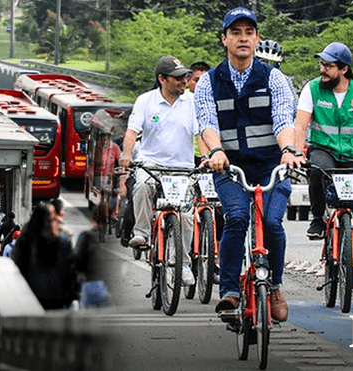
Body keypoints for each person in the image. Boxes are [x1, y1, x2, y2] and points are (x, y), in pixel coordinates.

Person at [194, 7, 300, 322]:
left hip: (272, 166)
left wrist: (289, 150)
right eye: (236, 33)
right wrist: (216, 151)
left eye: (249, 33)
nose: (243, 38)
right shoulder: (208, 82)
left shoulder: (275, 78)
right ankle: (229, 291)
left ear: (257, 39)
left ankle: (276, 286)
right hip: (230, 169)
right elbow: (207, 122)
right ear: (224, 39)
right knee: (237, 219)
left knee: (271, 223)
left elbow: (283, 119)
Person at [294, 42, 353, 292]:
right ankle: (317, 217)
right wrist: (294, 152)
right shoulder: (312, 89)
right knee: (315, 168)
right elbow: (300, 126)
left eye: (329, 65)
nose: (322, 69)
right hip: (325, 151)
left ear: (344, 69)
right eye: (322, 64)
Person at [119, 55, 199, 287]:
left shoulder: (192, 102)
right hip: (151, 163)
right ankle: (142, 232)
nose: (184, 81)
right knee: (142, 185)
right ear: (162, 79)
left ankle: (183, 264)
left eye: (185, 77)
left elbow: (201, 133)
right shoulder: (146, 101)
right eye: (177, 78)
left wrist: (206, 156)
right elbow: (132, 132)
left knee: (185, 215)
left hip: (182, 169)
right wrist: (126, 155)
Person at [11, 203, 77, 309]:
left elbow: (16, 265)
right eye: (47, 221)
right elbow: (72, 271)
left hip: (36, 299)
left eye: (50, 220)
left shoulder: (25, 240)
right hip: (51, 301)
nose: (49, 224)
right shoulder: (63, 241)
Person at [188, 61, 212, 167]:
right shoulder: (181, 99)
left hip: (210, 153)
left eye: (203, 80)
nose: (200, 84)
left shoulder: (213, 98)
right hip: (187, 155)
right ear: (188, 80)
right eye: (196, 80)